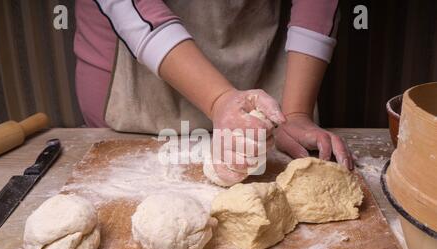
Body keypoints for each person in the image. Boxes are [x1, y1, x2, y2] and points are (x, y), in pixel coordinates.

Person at [74, 0, 353, 185]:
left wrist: (295, 112)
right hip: (138, 83)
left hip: (262, 62)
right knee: (121, 183)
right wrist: (219, 99)